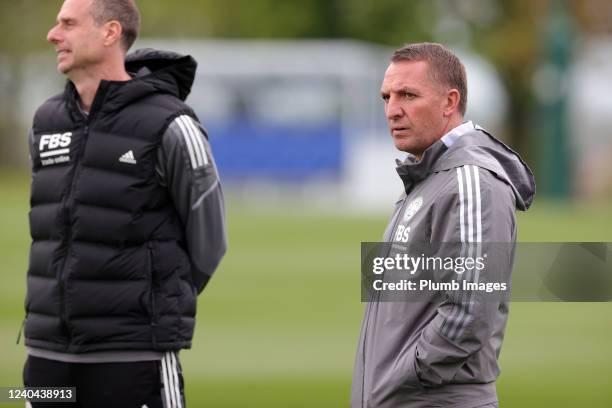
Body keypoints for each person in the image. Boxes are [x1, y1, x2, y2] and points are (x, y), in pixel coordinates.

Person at [22, 0, 227, 406]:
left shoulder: (172, 124)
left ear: (110, 32)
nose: (53, 35)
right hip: (45, 357)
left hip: (134, 359)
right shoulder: (46, 122)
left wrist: (147, 304)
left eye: (67, 24)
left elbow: (209, 242)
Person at [351, 43, 535, 408]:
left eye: (407, 95)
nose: (392, 110)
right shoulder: (427, 177)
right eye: (386, 97)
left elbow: (471, 309)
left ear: (450, 102)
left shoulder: (471, 183)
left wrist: (408, 375)